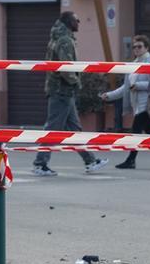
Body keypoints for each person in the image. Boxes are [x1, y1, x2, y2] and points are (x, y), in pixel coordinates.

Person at [33, 12, 109, 176]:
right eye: (77, 20)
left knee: (73, 129)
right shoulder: (65, 41)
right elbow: (66, 68)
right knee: (53, 129)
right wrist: (77, 82)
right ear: (69, 22)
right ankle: (40, 164)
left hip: (62, 91)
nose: (79, 23)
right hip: (62, 91)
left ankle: (90, 161)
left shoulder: (58, 37)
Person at [100, 35, 150, 169]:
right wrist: (110, 96)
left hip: (147, 104)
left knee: (135, 132)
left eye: (139, 46)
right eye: (134, 47)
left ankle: (131, 160)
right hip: (138, 105)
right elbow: (126, 87)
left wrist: (139, 85)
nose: (136, 49)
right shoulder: (134, 63)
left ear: (146, 47)